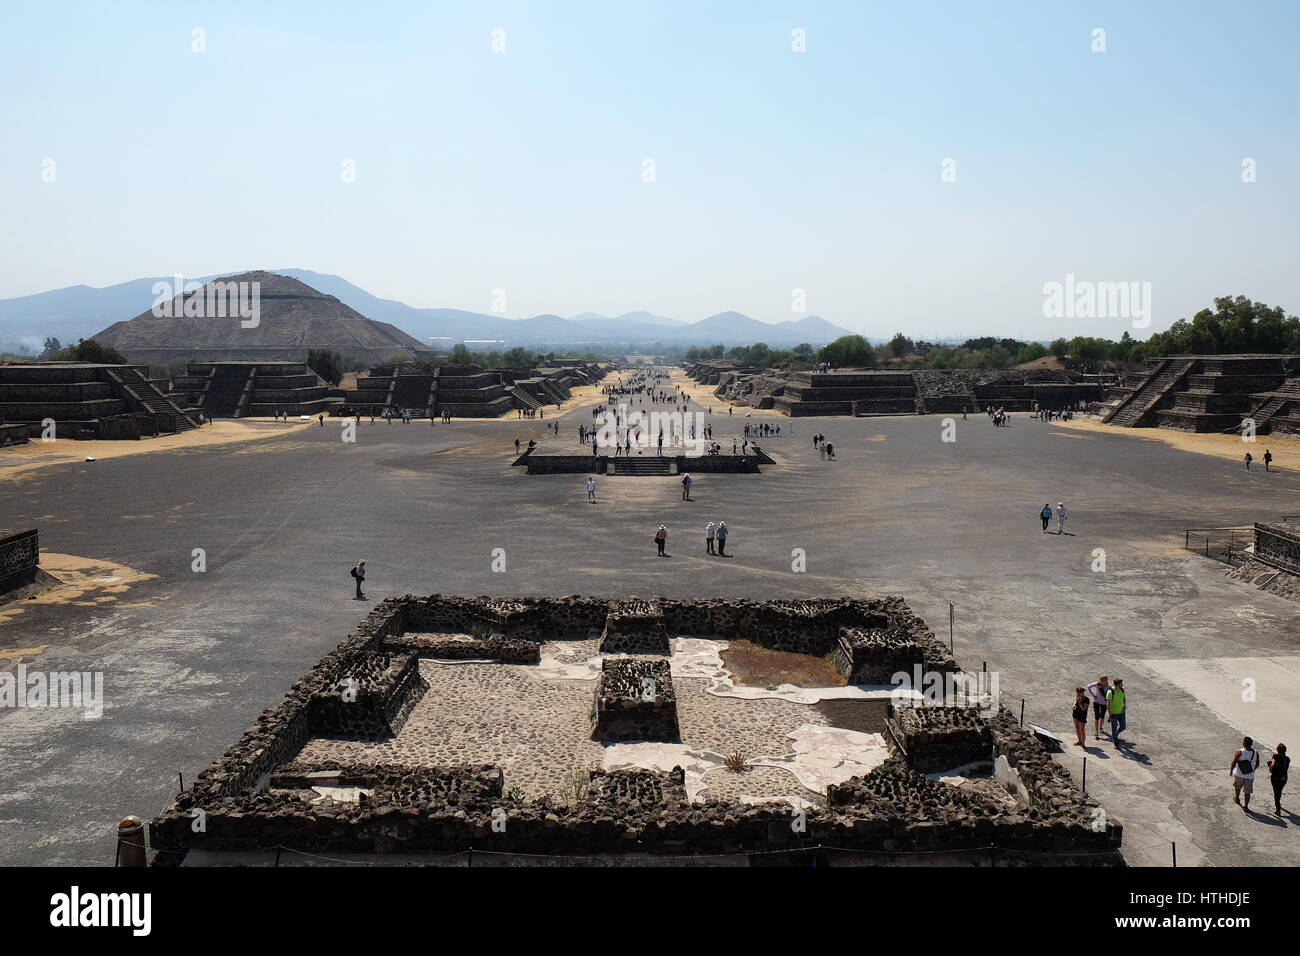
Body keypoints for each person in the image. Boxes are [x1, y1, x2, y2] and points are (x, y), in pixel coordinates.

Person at [1231, 736, 1260, 810]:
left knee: (1237, 787)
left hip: (1238, 774)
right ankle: (1246, 806)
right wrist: (1253, 770)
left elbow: (1234, 762)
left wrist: (1231, 771)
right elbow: (1257, 764)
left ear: (1244, 743)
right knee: (1247, 792)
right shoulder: (1255, 752)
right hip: (1249, 776)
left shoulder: (1239, 752)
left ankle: (1237, 798)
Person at [1085, 675, 1110, 739]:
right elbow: (1089, 687)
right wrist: (1093, 695)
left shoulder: (1109, 687)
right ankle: (1096, 731)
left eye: (1102, 680)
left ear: (1106, 681)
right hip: (1096, 702)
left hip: (1104, 703)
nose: (1101, 681)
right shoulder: (1097, 684)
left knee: (1102, 716)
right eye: (1100, 680)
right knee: (1097, 717)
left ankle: (1100, 727)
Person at [1268, 743, 1289, 816]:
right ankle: (1278, 803)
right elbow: (1286, 768)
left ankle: (1278, 810)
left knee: (1276, 792)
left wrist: (1270, 768)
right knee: (1279, 791)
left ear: (1277, 750)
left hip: (1275, 777)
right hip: (1284, 777)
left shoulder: (1275, 756)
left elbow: (1273, 765)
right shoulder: (1287, 758)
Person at [1106, 678, 1126, 746]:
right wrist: (1110, 713)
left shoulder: (1122, 690)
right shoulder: (1110, 692)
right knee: (1114, 728)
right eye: (1120, 684)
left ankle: (1115, 735)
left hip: (1121, 712)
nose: (1122, 685)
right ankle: (1115, 742)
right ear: (1117, 685)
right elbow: (1108, 704)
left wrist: (1124, 706)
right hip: (1114, 713)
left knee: (1123, 727)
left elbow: (1124, 698)